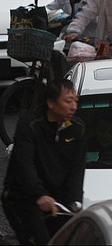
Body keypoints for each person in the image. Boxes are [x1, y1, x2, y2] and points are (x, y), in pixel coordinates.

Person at [2, 78, 86, 245]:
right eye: (68, 101)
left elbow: (77, 169)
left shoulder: (78, 128)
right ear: (51, 103)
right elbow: (23, 164)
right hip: (25, 198)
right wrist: (39, 195)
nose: (73, 106)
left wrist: (75, 202)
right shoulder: (30, 125)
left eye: (75, 101)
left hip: (58, 202)